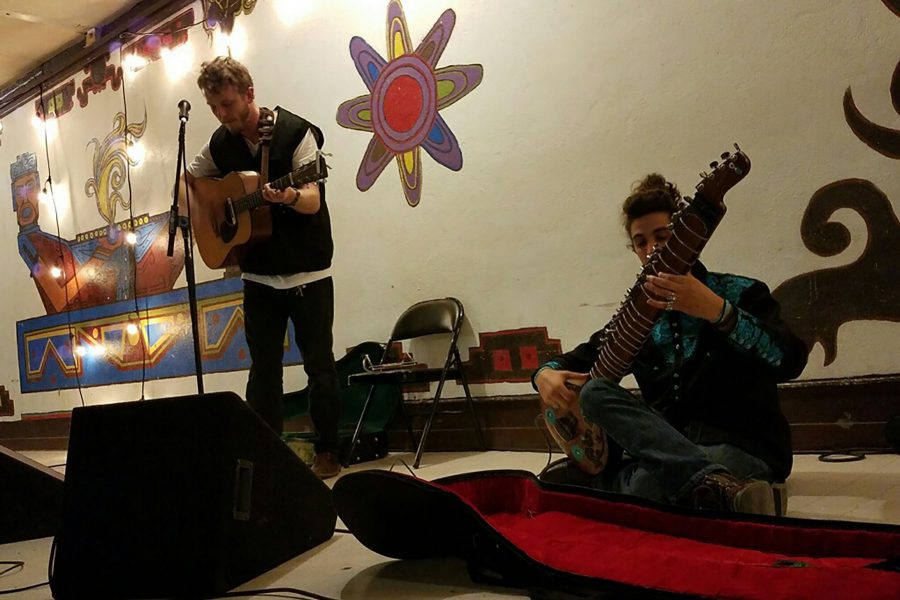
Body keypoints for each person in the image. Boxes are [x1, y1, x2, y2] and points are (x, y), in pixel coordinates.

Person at [533, 173, 808, 514]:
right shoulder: (638, 315)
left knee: (648, 489)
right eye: (640, 242)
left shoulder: (741, 292)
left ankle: (616, 485)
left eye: (661, 237)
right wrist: (544, 374)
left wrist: (716, 310)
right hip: (668, 446)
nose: (652, 251)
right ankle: (728, 493)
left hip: (742, 443)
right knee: (594, 392)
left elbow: (791, 361)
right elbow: (578, 359)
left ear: (682, 238)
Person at [185, 56, 342, 479]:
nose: (222, 114)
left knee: (320, 366)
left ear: (249, 94)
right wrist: (214, 214)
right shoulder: (220, 143)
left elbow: (312, 198)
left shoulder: (297, 133)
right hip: (257, 275)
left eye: (228, 103)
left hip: (308, 272)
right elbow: (190, 184)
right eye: (214, 107)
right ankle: (268, 456)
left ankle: (329, 450)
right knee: (264, 371)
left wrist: (286, 197)